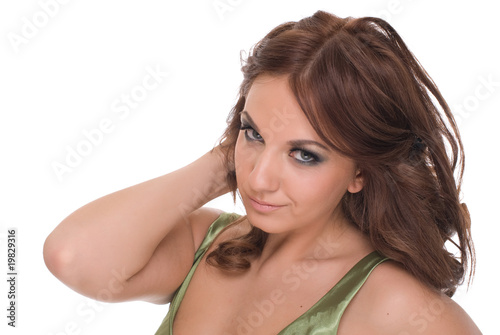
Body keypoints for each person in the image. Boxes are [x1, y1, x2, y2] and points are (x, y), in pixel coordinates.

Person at [43, 10, 481, 334]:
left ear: (360, 173)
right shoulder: (207, 244)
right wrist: (224, 162)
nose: (260, 178)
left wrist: (257, 140)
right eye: (252, 132)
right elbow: (72, 256)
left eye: (304, 155)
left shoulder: (397, 308)